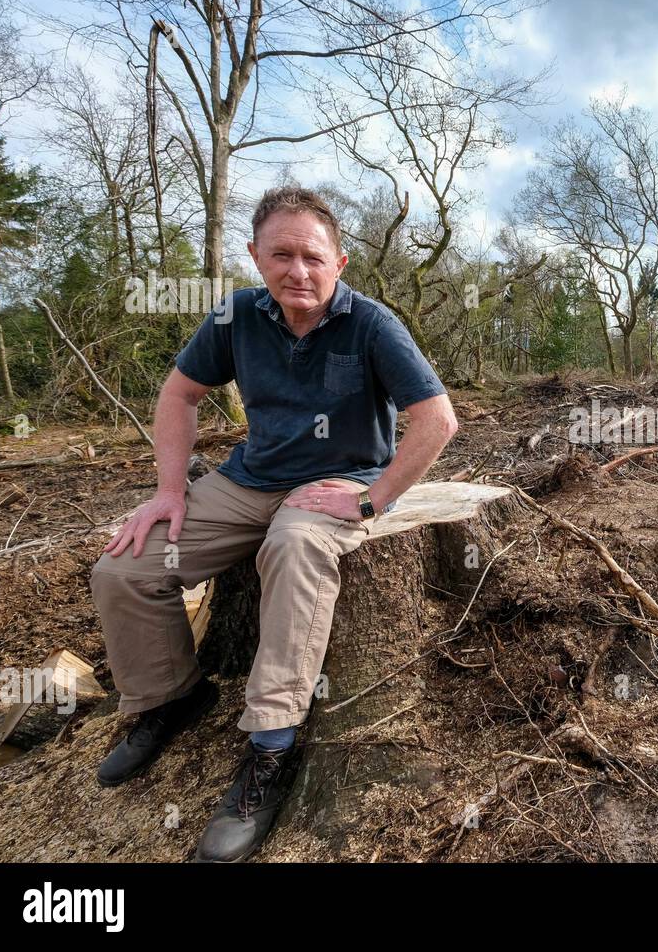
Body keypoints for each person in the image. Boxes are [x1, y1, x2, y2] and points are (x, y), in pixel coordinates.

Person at [88, 186, 458, 862]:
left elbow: (437, 418)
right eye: (280, 255)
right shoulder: (235, 317)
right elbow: (180, 394)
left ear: (339, 262)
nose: (298, 271)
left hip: (335, 483)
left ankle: (270, 747)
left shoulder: (372, 324)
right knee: (126, 566)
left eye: (313, 257)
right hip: (247, 479)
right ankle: (170, 696)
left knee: (293, 547)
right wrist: (171, 490)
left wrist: (373, 500)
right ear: (256, 258)